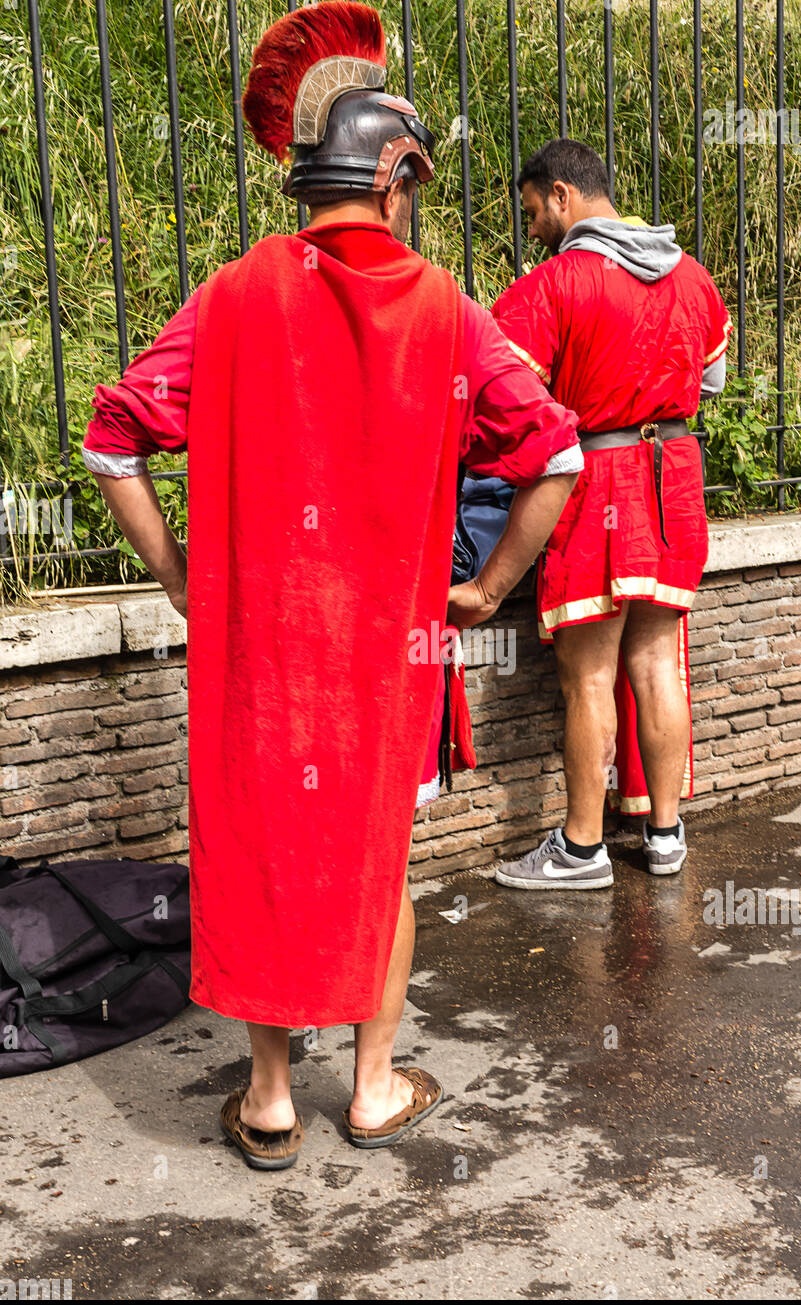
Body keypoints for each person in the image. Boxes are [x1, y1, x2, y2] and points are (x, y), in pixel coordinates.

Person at [81, 2, 582, 1168]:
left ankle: (266, 1098)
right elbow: (554, 456)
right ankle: (368, 1086)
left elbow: (113, 440)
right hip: (390, 655)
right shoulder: (448, 308)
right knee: (376, 862)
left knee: (263, 852)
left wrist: (184, 580)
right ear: (397, 174)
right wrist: (485, 587)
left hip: (261, 650)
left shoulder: (236, 294)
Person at [490, 139, 731, 889]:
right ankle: (664, 837)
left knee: (587, 678)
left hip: (597, 479)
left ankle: (583, 848)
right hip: (675, 479)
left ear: (562, 196)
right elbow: (714, 379)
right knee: (659, 665)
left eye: (532, 211)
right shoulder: (692, 276)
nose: (532, 228)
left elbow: (504, 400)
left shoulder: (555, 283)